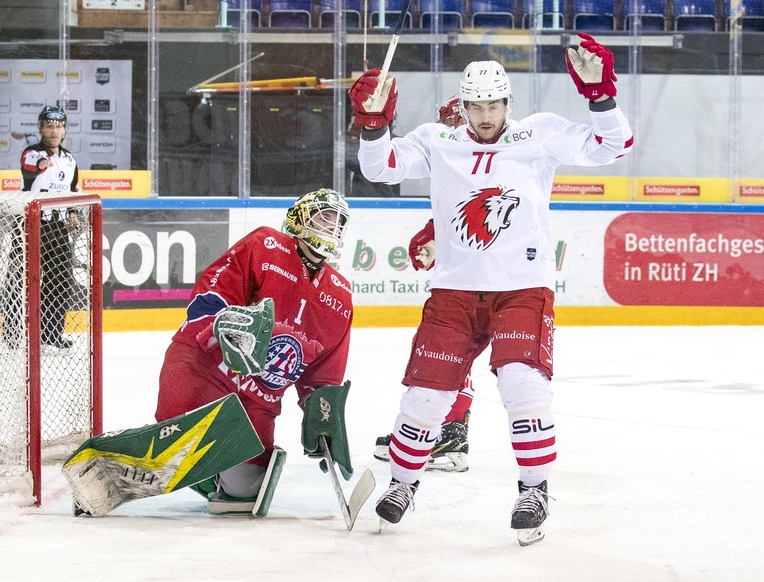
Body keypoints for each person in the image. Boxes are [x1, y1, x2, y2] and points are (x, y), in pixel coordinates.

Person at [349, 33, 633, 545]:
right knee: (425, 396)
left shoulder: (538, 135)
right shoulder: (439, 139)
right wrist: (373, 126)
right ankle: (402, 484)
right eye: (475, 106)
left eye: (494, 105)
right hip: (454, 292)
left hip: (522, 289)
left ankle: (533, 489)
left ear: (508, 102)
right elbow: (379, 168)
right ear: (462, 104)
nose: (485, 116)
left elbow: (614, 146)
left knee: (524, 388)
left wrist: (601, 95)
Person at [154, 188, 354, 512]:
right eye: (324, 217)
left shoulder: (341, 297)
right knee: (178, 446)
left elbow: (322, 378)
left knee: (244, 492)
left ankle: (213, 476)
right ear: (300, 217)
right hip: (208, 368)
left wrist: (324, 418)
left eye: (338, 222)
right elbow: (214, 291)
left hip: (258, 400)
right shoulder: (266, 244)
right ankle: (180, 461)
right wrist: (227, 323)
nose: (331, 227)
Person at [373, 97, 474, 474]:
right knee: (446, 356)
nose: (448, 134)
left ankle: (448, 435)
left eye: (452, 124)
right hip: (466, 282)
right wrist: (430, 240)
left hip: (495, 282)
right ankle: (438, 432)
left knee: (452, 355)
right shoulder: (455, 163)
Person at [3, 105, 81, 350]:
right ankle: (13, 333)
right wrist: (41, 165)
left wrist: (72, 213)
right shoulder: (31, 152)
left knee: (60, 279)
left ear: (64, 129)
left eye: (59, 125)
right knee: (21, 277)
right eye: (49, 125)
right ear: (41, 128)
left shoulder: (69, 160)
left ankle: (50, 334)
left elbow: (71, 190)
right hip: (30, 224)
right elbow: (31, 168)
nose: (54, 130)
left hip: (57, 226)